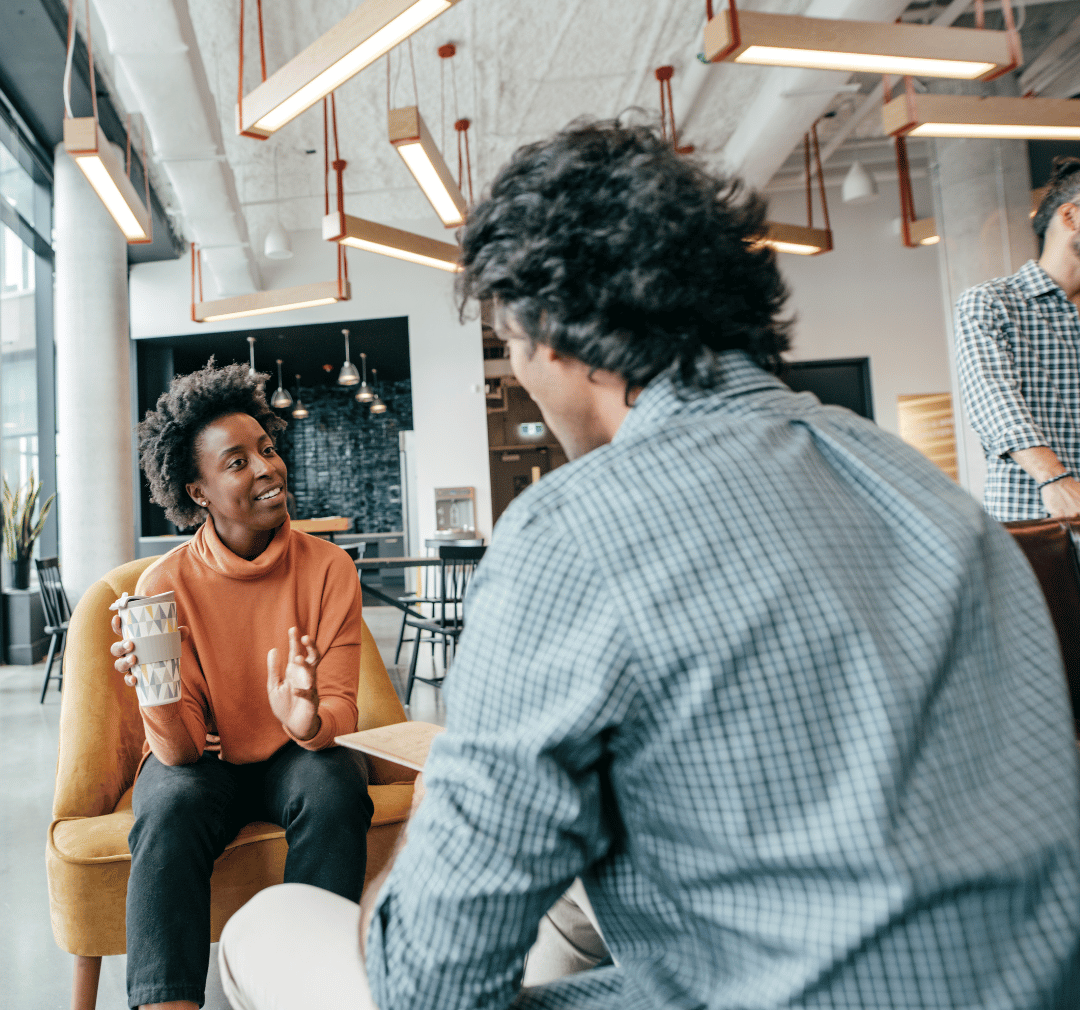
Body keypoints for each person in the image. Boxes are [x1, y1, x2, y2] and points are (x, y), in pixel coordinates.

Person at [219, 120, 1080, 1010]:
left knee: (270, 925)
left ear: (550, 333)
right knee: (569, 915)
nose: (523, 382)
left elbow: (427, 980)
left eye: (511, 349)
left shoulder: (571, 531)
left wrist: (461, 784)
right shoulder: (932, 493)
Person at [112, 362, 372, 1010]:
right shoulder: (162, 586)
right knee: (169, 805)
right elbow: (177, 754)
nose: (266, 468)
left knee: (336, 782)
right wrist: (155, 692)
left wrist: (308, 719)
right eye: (237, 462)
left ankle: (314, 989)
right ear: (196, 491)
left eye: (267, 448)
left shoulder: (329, 569)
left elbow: (340, 705)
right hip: (204, 756)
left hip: (296, 752)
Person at [956, 156, 1080, 522]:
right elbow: (994, 402)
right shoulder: (991, 303)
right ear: (1070, 217)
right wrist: (1054, 477)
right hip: (1035, 519)